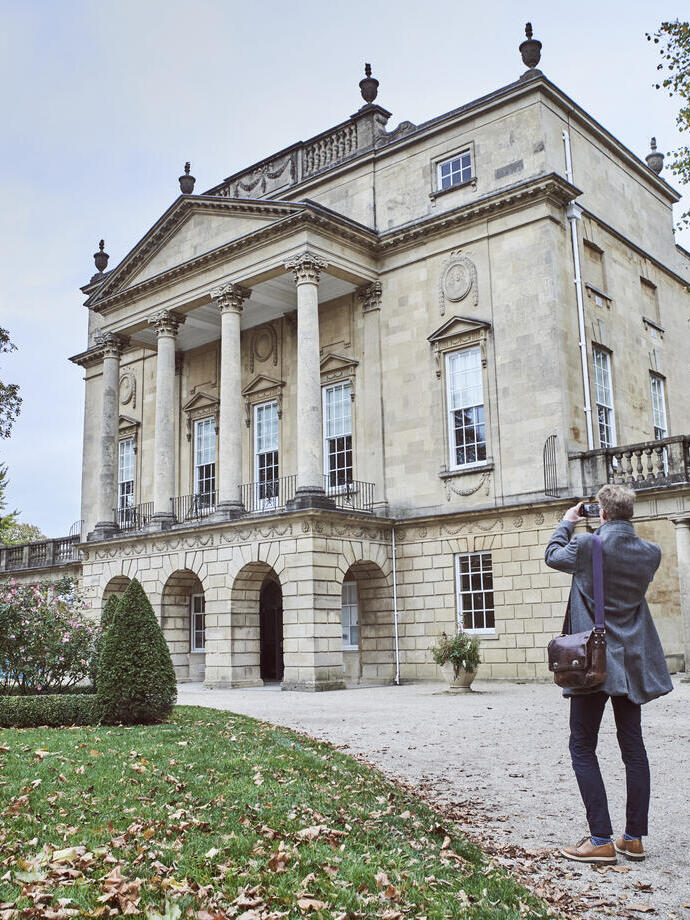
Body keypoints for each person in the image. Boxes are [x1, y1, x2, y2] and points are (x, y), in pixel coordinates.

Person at [544, 484, 673, 865]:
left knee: (582, 746)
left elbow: (552, 556)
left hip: (593, 662)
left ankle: (600, 839)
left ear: (600, 512)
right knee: (633, 748)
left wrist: (567, 522)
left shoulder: (588, 545)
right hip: (630, 664)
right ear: (630, 512)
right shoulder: (650, 552)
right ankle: (633, 839)